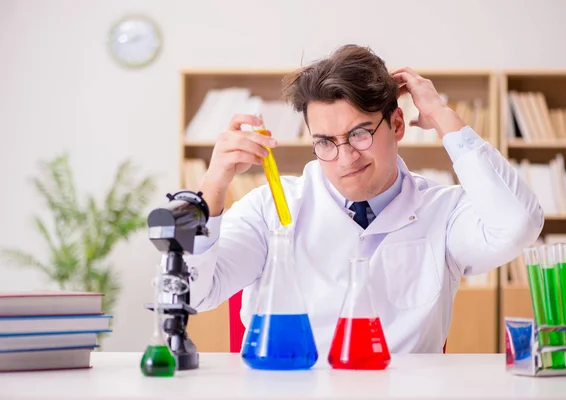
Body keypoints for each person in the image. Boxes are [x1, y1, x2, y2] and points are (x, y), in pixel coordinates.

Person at [185, 44, 544, 354]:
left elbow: (517, 226)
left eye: (359, 134)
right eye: (325, 142)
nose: (345, 158)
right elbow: (193, 294)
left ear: (397, 125)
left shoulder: (443, 211)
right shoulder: (269, 209)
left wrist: (443, 118)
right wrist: (212, 187)